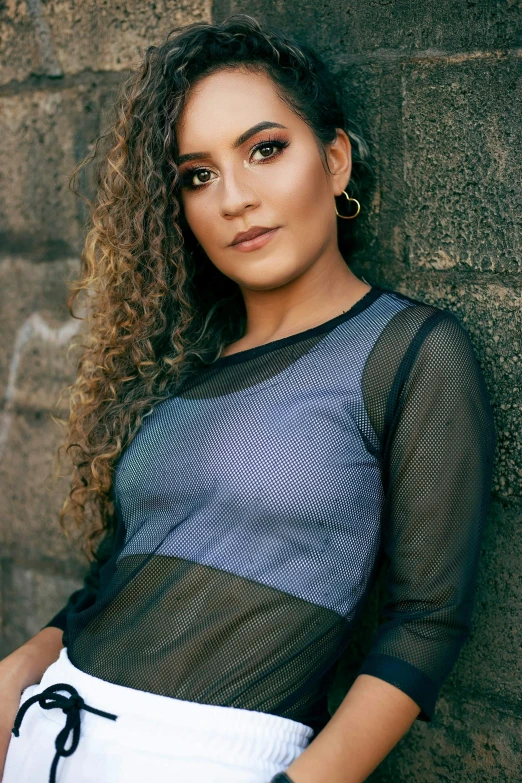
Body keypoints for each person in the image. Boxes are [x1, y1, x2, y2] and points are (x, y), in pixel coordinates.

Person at [0, 13, 496, 783]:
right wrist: (18, 670)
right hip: (46, 735)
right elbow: (115, 575)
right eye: (197, 174)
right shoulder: (182, 361)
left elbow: (426, 624)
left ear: (334, 161)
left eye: (265, 150)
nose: (233, 198)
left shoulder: (407, 353)